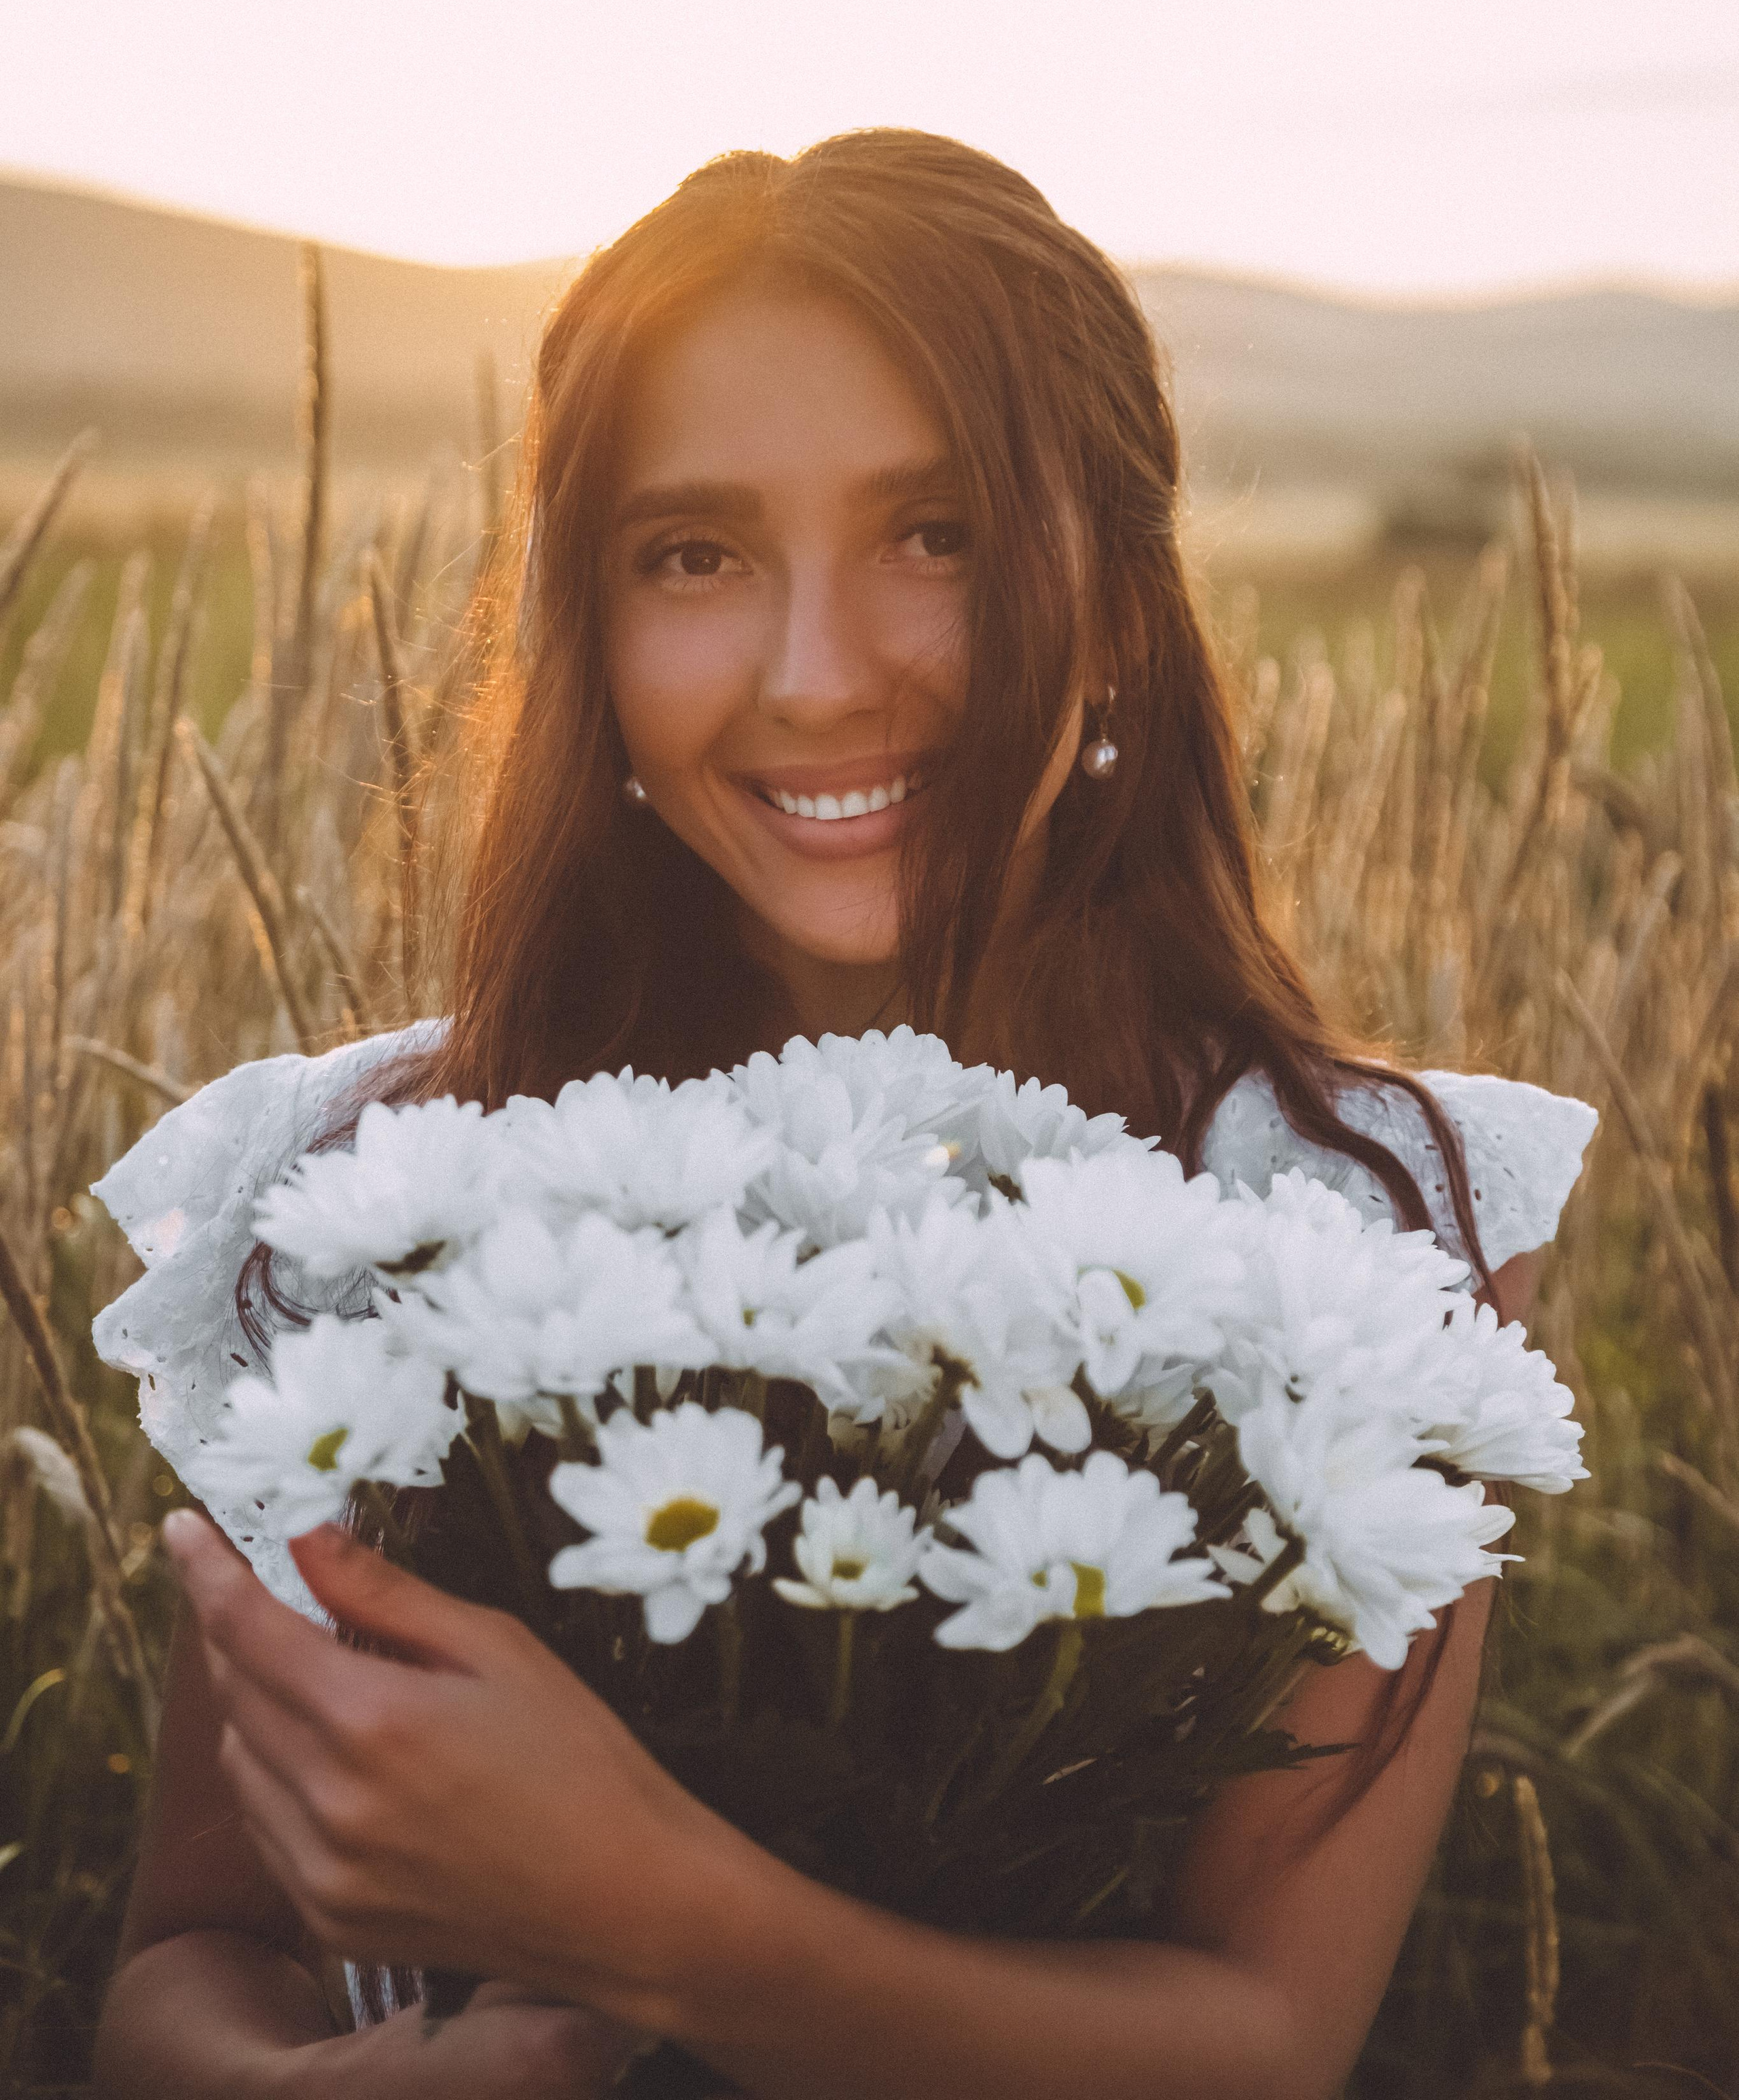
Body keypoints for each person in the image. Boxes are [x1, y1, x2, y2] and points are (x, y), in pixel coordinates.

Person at [91, 131, 1596, 2099]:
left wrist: (660, 1924)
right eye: (694, 554)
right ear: (592, 635)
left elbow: (1259, 2042)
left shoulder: (1359, 1230)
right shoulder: (351, 1190)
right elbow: (186, 1957)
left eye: (938, 534)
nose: (818, 677)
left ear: (1123, 602)